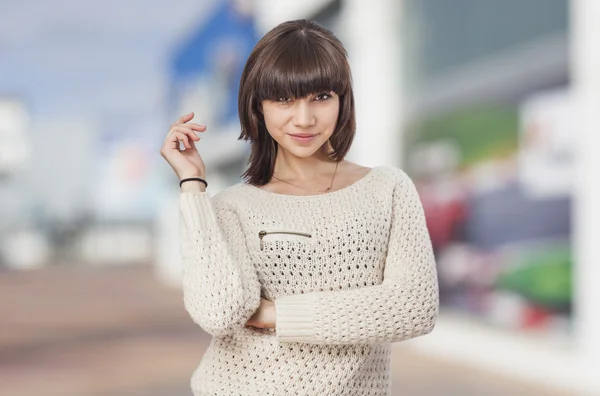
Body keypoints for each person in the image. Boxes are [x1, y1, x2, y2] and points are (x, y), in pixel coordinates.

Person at [160, 19, 438, 396]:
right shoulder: (232, 207)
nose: (304, 118)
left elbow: (413, 307)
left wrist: (279, 315)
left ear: (343, 100)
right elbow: (219, 313)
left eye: (321, 97)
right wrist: (193, 185)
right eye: (284, 99)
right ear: (258, 107)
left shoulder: (388, 189)